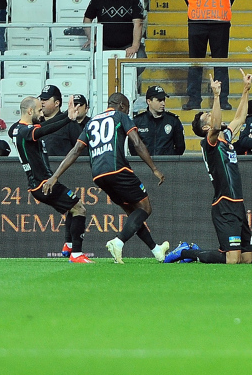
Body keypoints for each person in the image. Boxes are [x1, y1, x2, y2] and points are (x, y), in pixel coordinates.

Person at [44, 93, 171, 264]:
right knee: (145, 208)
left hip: (98, 175)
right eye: (127, 108)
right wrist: (154, 169)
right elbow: (137, 143)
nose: (127, 111)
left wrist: (55, 176)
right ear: (122, 105)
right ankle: (118, 242)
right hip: (118, 169)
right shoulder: (120, 116)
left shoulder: (91, 122)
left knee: (133, 213)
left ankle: (156, 250)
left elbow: (75, 151)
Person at [167, 69, 252, 264]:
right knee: (232, 259)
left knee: (246, 259)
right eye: (208, 115)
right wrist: (216, 96)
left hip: (237, 204)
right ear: (205, 128)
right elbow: (215, 125)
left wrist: (246, 90)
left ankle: (192, 252)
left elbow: (240, 118)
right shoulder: (209, 143)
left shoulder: (226, 138)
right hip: (224, 204)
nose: (212, 116)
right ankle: (186, 252)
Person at [8, 95, 93, 263]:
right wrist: (67, 120)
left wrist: (66, 114)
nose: (42, 114)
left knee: (72, 207)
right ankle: (76, 254)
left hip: (38, 183)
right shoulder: (26, 132)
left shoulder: (16, 129)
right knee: (80, 209)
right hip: (44, 183)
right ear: (30, 111)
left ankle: (69, 245)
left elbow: (44, 126)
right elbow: (45, 130)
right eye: (39, 110)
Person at [183, 0, 236, 110]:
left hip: (220, 22)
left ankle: (222, 99)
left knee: (221, 62)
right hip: (197, 21)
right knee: (195, 62)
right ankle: (193, 99)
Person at [80, 0, 145, 58]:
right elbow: (87, 19)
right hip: (101, 44)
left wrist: (134, 46)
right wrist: (91, 39)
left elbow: (138, 24)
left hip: (128, 45)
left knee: (141, 57)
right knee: (84, 54)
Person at [130, 86, 186, 156]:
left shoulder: (173, 121)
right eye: (159, 100)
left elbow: (180, 147)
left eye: (163, 100)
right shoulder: (138, 121)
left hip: (166, 162)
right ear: (149, 101)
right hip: (144, 162)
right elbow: (132, 146)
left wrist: (170, 159)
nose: (163, 103)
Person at [38, 85, 91, 156]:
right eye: (41, 99)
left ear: (57, 103)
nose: (42, 102)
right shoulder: (36, 124)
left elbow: (82, 151)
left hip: (62, 163)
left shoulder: (69, 123)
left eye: (45, 99)